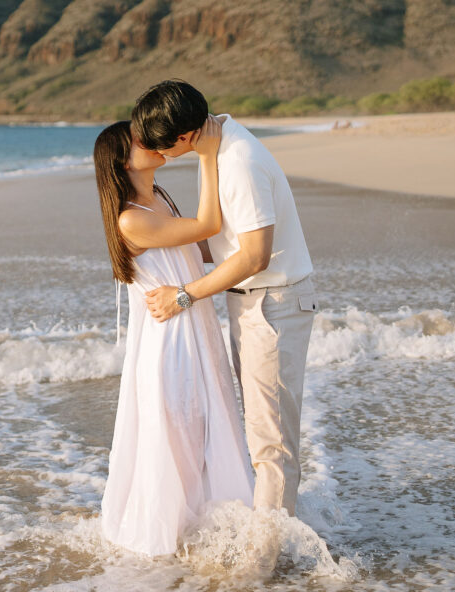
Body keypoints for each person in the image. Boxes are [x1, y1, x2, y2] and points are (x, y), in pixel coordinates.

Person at [132, 80, 317, 517]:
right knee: (263, 433)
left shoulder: (238, 161)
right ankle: (277, 536)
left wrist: (183, 295)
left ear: (183, 136)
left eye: (161, 147)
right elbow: (223, 236)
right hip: (258, 301)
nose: (158, 155)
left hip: (272, 303)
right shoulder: (218, 148)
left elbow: (255, 255)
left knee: (271, 444)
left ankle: (265, 562)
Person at [94, 118, 253, 557]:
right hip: (171, 343)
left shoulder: (158, 198)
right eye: (140, 141)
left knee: (208, 422)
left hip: (192, 324)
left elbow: (199, 246)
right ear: (124, 162)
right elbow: (204, 226)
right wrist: (206, 156)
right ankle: (170, 545)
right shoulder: (129, 220)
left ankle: (212, 527)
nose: (152, 142)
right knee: (179, 435)